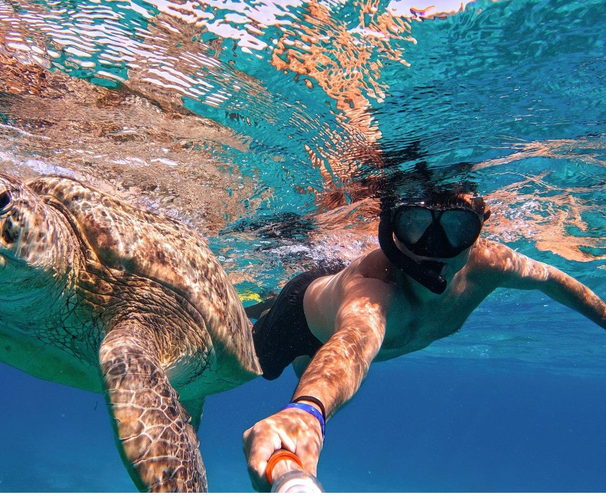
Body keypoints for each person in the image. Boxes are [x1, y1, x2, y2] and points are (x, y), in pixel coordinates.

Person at [242, 183, 606, 491]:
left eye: (457, 228)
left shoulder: (490, 264)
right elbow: (354, 341)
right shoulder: (375, 287)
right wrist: (306, 413)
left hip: (326, 332)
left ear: (478, 229)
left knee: (301, 375)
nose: (434, 248)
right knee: (242, 365)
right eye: (415, 225)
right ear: (393, 231)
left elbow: (554, 280)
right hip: (300, 318)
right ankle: (260, 306)